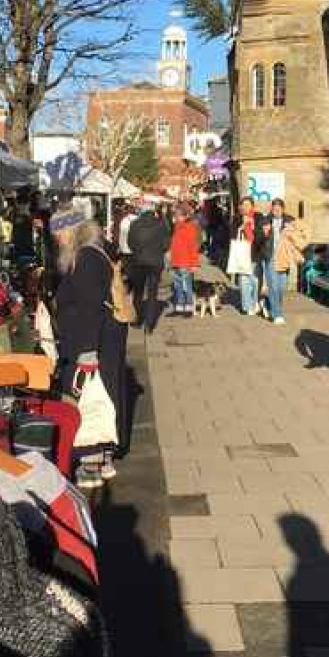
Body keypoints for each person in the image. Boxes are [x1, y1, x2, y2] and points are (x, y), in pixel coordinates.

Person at [52, 212, 126, 487]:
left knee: (88, 401)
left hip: (90, 342)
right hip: (103, 338)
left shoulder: (84, 260)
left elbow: (88, 308)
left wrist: (87, 351)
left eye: (59, 232)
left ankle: (91, 463)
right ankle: (104, 458)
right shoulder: (95, 253)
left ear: (71, 231)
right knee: (104, 398)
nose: (57, 238)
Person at [258, 198, 307, 324]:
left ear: (283, 209)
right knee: (273, 286)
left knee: (281, 287)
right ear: (271, 209)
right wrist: (264, 233)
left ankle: (268, 304)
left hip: (284, 257)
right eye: (274, 209)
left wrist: (293, 234)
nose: (276, 211)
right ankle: (277, 314)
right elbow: (258, 239)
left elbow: (301, 235)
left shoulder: (290, 220)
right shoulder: (265, 220)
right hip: (270, 256)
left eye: (279, 209)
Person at [127, 203, 170, 333]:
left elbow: (130, 243)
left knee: (138, 292)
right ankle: (149, 325)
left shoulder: (135, 224)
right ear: (153, 212)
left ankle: (137, 320)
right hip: (155, 263)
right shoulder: (161, 224)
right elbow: (166, 244)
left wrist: (137, 251)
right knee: (152, 294)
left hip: (138, 261)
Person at [168, 204, 202, 316]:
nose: (176, 217)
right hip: (175, 260)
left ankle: (188, 308)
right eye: (176, 214)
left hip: (185, 261)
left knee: (187, 286)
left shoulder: (190, 227)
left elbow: (193, 246)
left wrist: (194, 263)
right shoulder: (177, 226)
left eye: (178, 215)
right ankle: (179, 307)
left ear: (186, 215)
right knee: (177, 286)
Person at [231, 197, 260, 316]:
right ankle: (247, 306)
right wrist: (241, 226)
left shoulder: (258, 217)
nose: (246, 207)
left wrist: (252, 226)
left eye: (248, 205)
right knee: (244, 280)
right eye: (244, 205)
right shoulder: (237, 218)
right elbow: (232, 235)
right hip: (242, 252)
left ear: (252, 206)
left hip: (255, 252)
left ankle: (254, 302)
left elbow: (261, 235)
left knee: (254, 280)